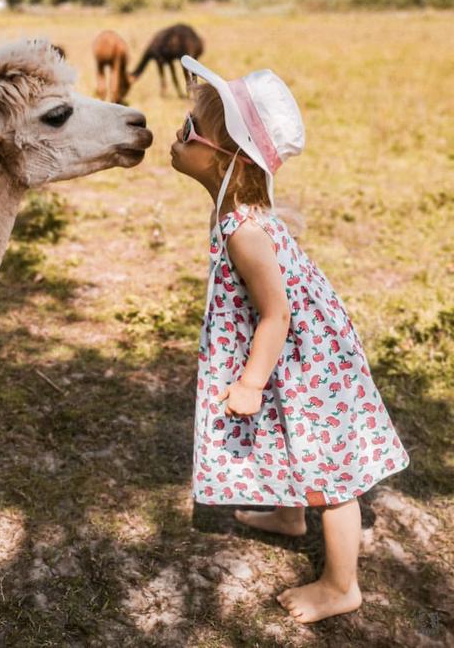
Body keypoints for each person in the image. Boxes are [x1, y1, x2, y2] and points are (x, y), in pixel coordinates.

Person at [170, 55, 409, 623]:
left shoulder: (246, 233)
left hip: (308, 362)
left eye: (187, 131)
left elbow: (275, 315)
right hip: (300, 355)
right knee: (285, 432)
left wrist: (252, 381)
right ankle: (287, 514)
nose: (176, 137)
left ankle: (340, 584)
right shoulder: (237, 213)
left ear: (222, 156)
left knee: (331, 473)